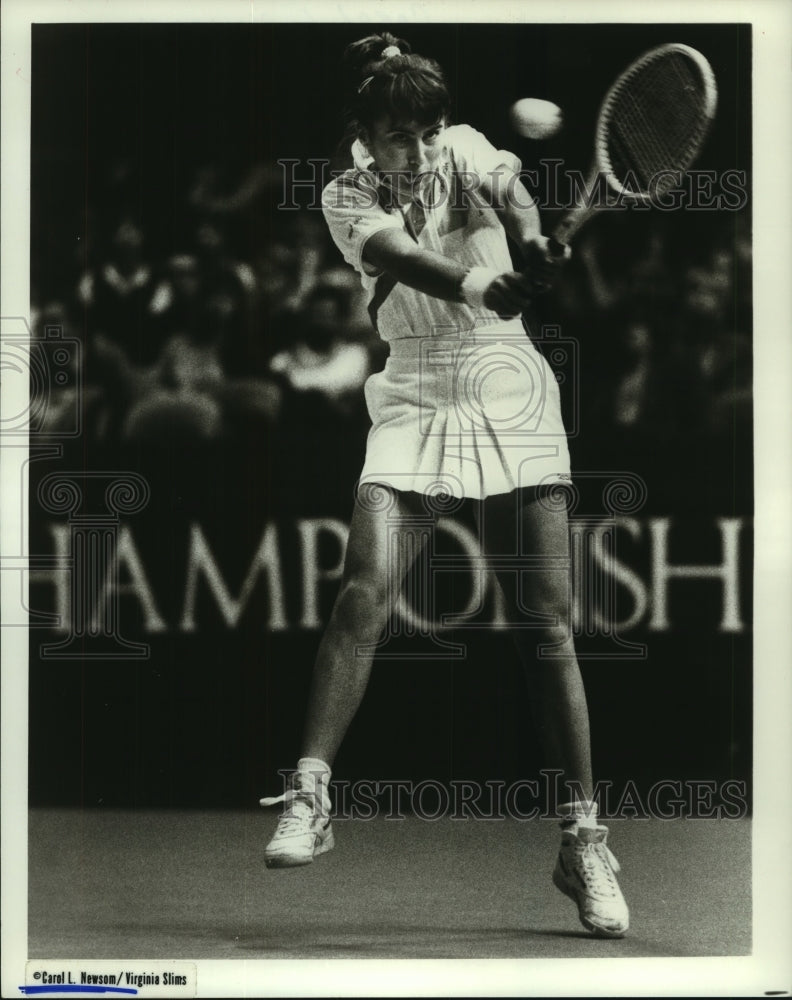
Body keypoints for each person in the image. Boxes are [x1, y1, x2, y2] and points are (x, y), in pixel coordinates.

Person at [260, 32, 629, 939]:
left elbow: (509, 191)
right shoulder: (345, 196)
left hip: (507, 381)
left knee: (546, 624)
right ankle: (310, 795)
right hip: (416, 388)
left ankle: (584, 843)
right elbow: (406, 260)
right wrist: (483, 281)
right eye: (398, 136)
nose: (418, 151)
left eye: (426, 131)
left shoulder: (460, 146)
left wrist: (537, 242)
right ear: (362, 132)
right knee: (364, 594)